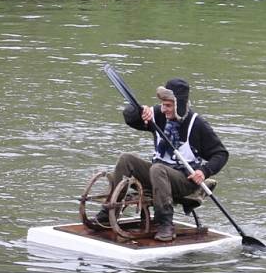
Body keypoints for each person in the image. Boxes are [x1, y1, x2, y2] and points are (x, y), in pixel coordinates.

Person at [95, 78, 229, 241]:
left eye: (168, 105)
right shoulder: (157, 114)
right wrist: (139, 111)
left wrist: (204, 171)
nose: (163, 109)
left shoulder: (198, 124)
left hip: (184, 180)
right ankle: (109, 212)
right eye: (162, 104)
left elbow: (221, 154)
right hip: (157, 176)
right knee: (126, 159)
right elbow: (130, 119)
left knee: (157, 169)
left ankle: (165, 223)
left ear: (180, 105)